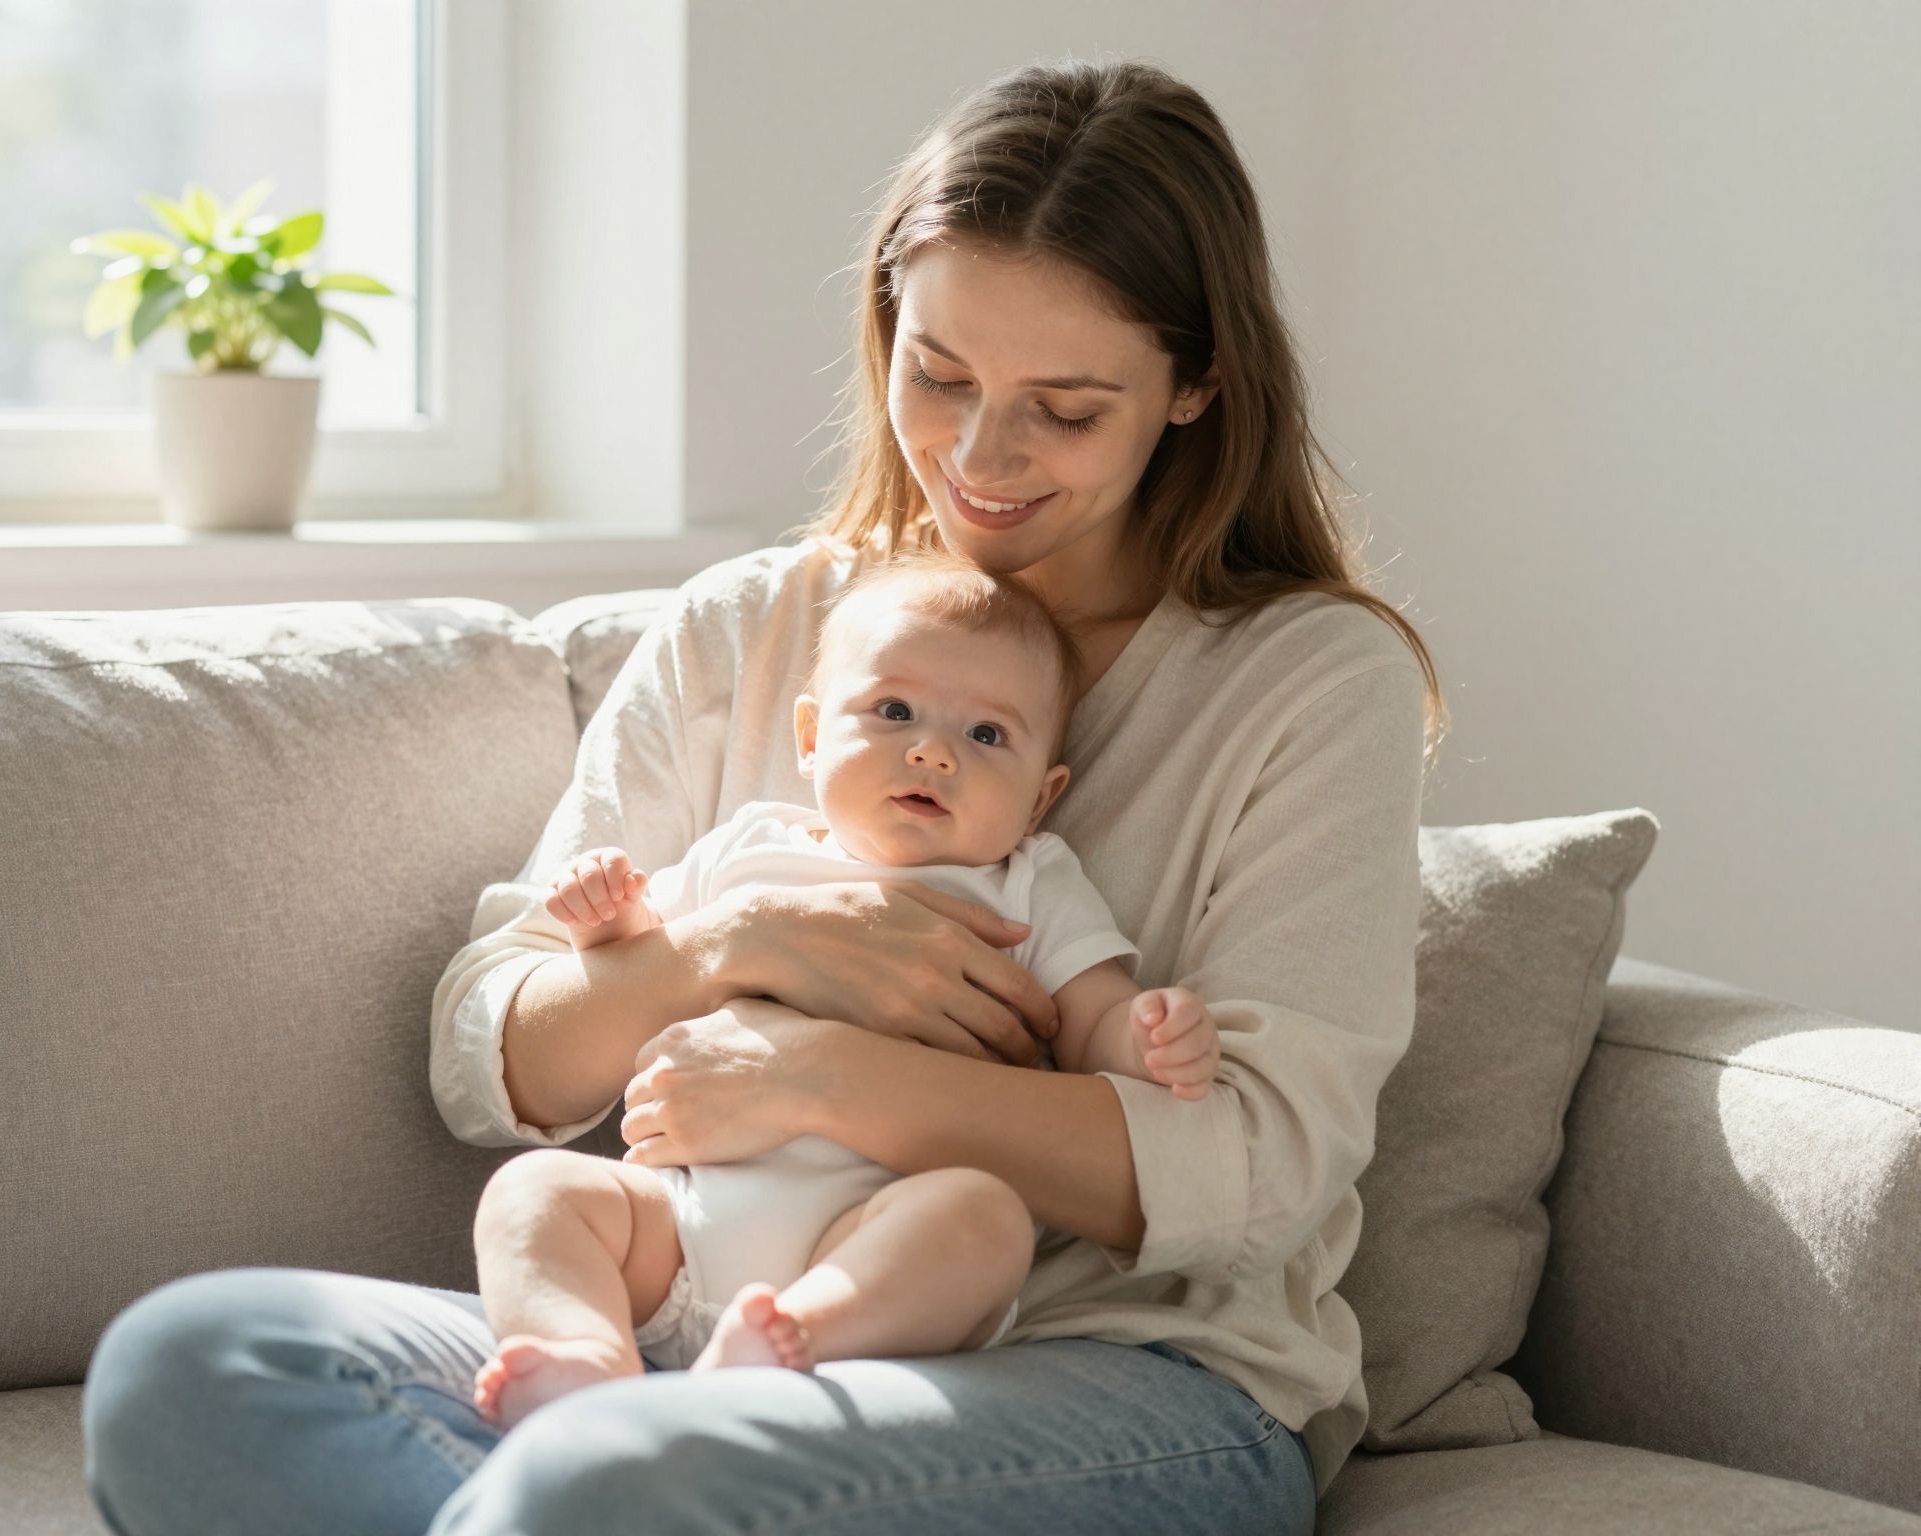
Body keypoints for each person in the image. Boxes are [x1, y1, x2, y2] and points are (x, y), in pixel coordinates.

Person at [83, 54, 1447, 1536]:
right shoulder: (751, 627)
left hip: (1127, 1375)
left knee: (610, 1480)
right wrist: (732, 945)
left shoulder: (1308, 680)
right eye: (939, 376)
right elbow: (493, 1051)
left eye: (1062, 409)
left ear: (1195, 386)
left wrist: (827, 1080)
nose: (979, 456)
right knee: (194, 1367)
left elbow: (1260, 1168)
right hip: (695, 1320)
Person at [471, 551, 1228, 1430]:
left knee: (982, 1220)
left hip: (871, 1237)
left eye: (987, 735)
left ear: (1038, 799)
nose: (932, 751)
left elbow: (1089, 1020)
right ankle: (585, 1356)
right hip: (678, 1228)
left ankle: (793, 1338)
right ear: (810, 738)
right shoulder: (749, 850)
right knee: (534, 1193)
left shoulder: (1029, 887)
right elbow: (647, 968)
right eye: (894, 711)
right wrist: (606, 922)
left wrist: (1148, 1033)